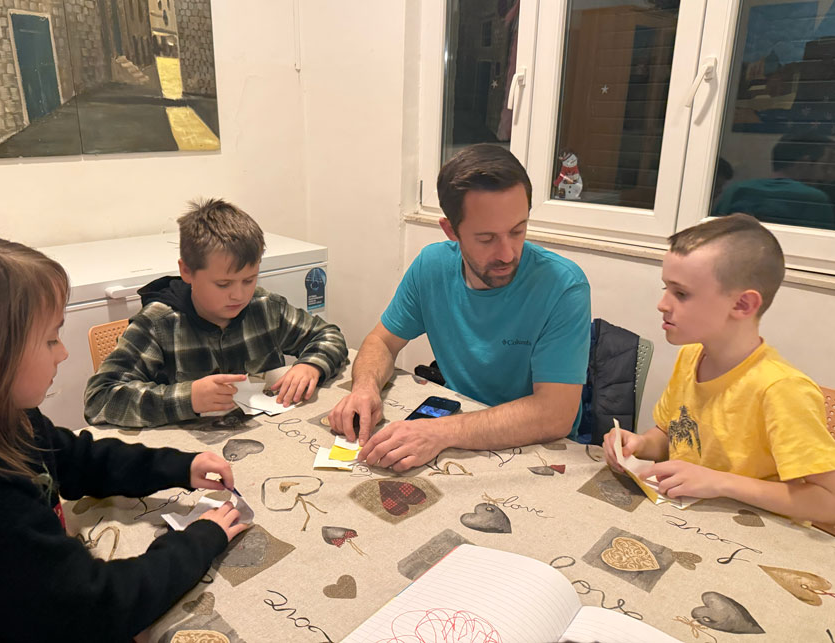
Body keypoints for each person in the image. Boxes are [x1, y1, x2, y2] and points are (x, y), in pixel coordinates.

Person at [0, 229, 249, 640]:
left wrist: (179, 465)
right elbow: (97, 606)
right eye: (50, 338)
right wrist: (198, 541)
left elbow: (74, 457)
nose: (63, 353)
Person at [328, 144, 591, 471]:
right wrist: (365, 388)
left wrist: (438, 433)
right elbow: (382, 341)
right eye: (486, 238)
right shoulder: (432, 266)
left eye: (517, 230)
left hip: (535, 450)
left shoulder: (563, 286)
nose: (508, 253)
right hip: (458, 436)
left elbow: (554, 416)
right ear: (451, 231)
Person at [603, 214, 835, 524]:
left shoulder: (781, 389)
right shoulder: (690, 356)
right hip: (689, 523)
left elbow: (829, 502)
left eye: (680, 293)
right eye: (665, 288)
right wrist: (641, 444)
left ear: (742, 305)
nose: (662, 304)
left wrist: (720, 482)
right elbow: (669, 434)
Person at [85, 199, 348, 427]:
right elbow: (99, 399)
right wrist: (187, 398)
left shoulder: (265, 306)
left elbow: (328, 336)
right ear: (187, 271)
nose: (239, 295)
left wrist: (311, 365)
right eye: (223, 284)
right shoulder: (158, 325)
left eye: (249, 280)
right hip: (194, 459)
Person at [711, 133, 835, 230]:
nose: (828, 175)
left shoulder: (736, 190)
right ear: (804, 163)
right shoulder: (814, 199)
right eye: (824, 167)